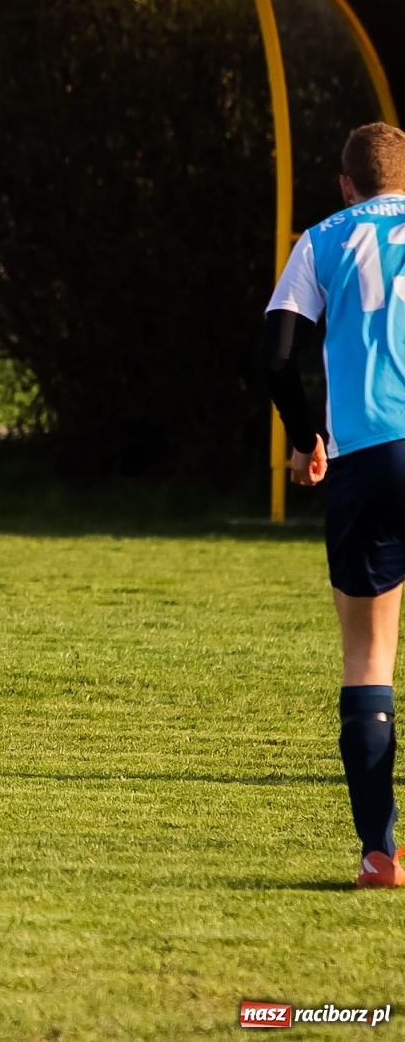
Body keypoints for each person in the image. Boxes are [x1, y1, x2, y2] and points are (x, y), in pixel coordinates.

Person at [264, 121, 405, 888]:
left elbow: (277, 353)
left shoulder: (322, 239)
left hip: (366, 455)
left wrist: (307, 431)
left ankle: (379, 853)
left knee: (367, 657)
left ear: (347, 185)